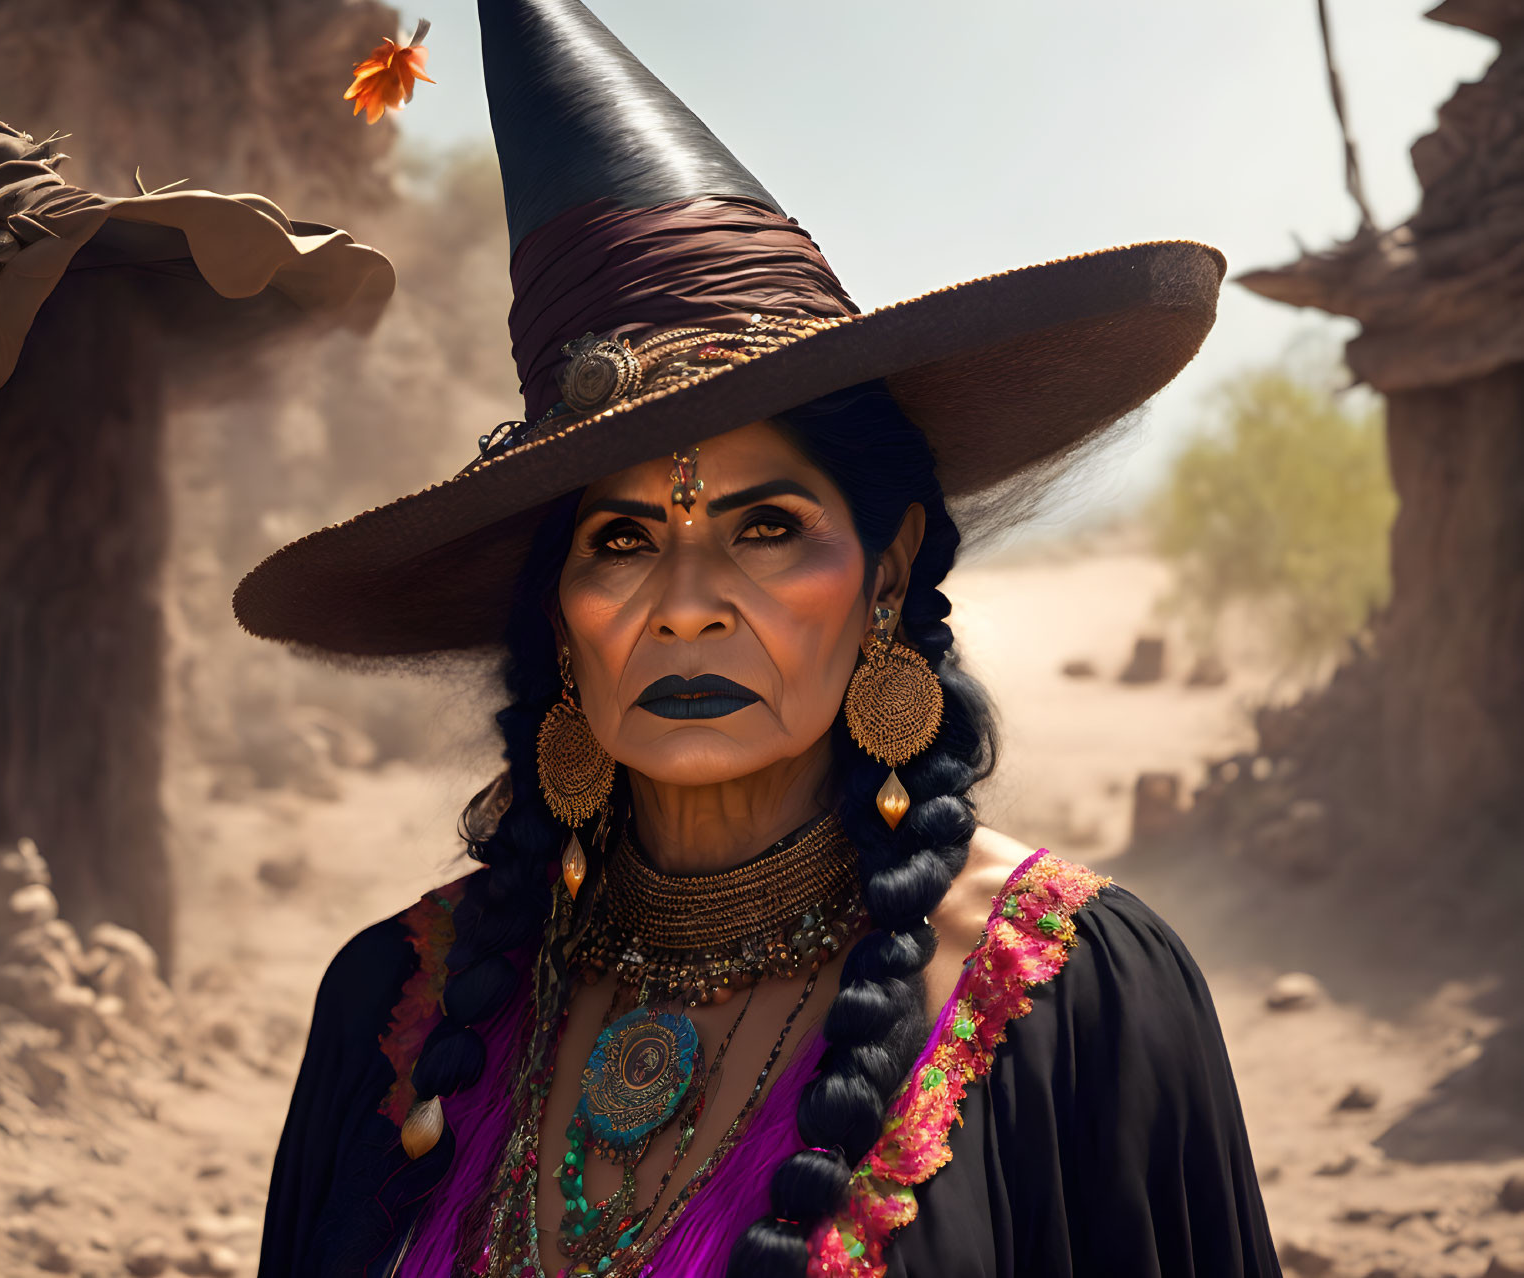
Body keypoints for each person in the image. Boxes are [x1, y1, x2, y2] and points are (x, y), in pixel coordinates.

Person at [235, 2, 1281, 1275]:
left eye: (769, 526)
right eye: (619, 540)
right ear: (555, 614)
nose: (685, 602)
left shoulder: (1057, 994)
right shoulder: (396, 1004)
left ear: (886, 570)